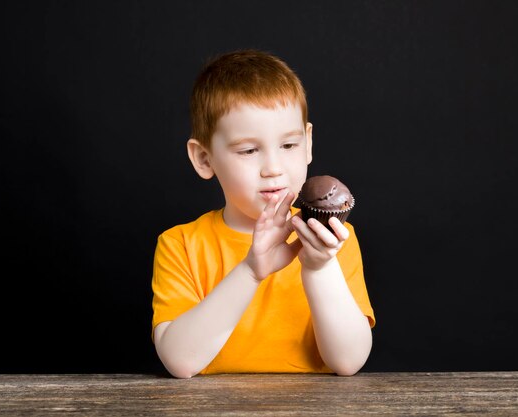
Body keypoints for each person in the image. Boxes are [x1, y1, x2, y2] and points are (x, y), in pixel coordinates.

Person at [151, 49, 375, 378]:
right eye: (249, 150)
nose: (273, 168)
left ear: (309, 143)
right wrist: (251, 271)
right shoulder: (181, 244)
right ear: (204, 158)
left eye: (288, 146)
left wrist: (319, 268)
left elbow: (348, 361)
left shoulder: (333, 242)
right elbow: (180, 361)